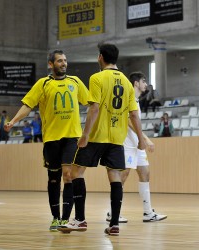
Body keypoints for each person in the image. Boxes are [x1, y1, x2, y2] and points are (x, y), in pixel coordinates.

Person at [58, 43, 146, 236]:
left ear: (100, 57)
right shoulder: (125, 81)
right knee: (115, 177)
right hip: (116, 138)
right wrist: (141, 139)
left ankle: (80, 220)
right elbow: (133, 114)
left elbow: (94, 108)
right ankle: (114, 224)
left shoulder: (97, 78)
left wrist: (85, 135)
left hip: (97, 135)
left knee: (76, 173)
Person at [4, 50, 89, 231]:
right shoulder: (43, 84)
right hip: (51, 138)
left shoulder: (75, 82)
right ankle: (55, 217)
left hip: (72, 136)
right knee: (53, 179)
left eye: (65, 60)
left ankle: (65, 220)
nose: (63, 63)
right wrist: (13, 121)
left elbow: (91, 103)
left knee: (68, 175)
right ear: (51, 64)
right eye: (59, 61)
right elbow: (28, 105)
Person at [106, 71, 167, 223]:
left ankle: (148, 213)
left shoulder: (137, 100)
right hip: (127, 143)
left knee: (145, 172)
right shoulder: (128, 98)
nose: (146, 84)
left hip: (136, 143)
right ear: (136, 83)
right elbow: (128, 121)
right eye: (143, 81)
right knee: (123, 176)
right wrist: (145, 139)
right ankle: (112, 213)